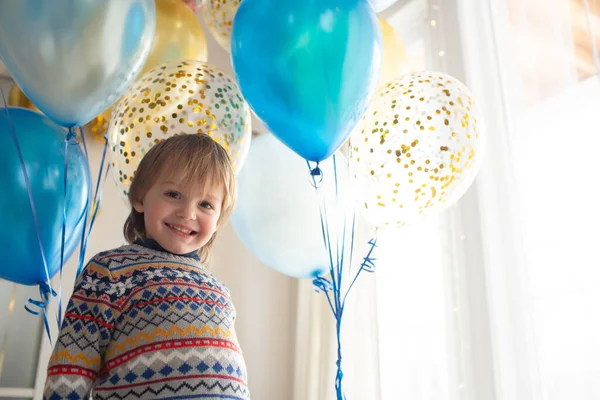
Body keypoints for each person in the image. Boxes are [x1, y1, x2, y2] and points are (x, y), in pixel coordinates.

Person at [43, 134, 249, 400]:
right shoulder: (109, 272)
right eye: (174, 194)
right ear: (140, 197)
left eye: (205, 204)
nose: (188, 213)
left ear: (219, 218)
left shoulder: (219, 290)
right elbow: (71, 366)